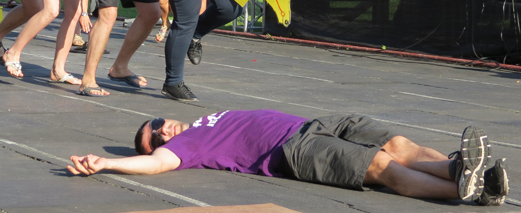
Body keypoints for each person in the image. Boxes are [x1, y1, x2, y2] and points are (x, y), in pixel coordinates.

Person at [68, 111, 509, 207]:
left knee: (398, 144)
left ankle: (461, 171)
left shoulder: (201, 120)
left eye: (157, 123)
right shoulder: (188, 145)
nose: (163, 130)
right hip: (293, 151)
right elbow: (156, 164)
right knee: (379, 167)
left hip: (317, 124)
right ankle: (466, 187)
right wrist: (108, 163)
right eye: (155, 139)